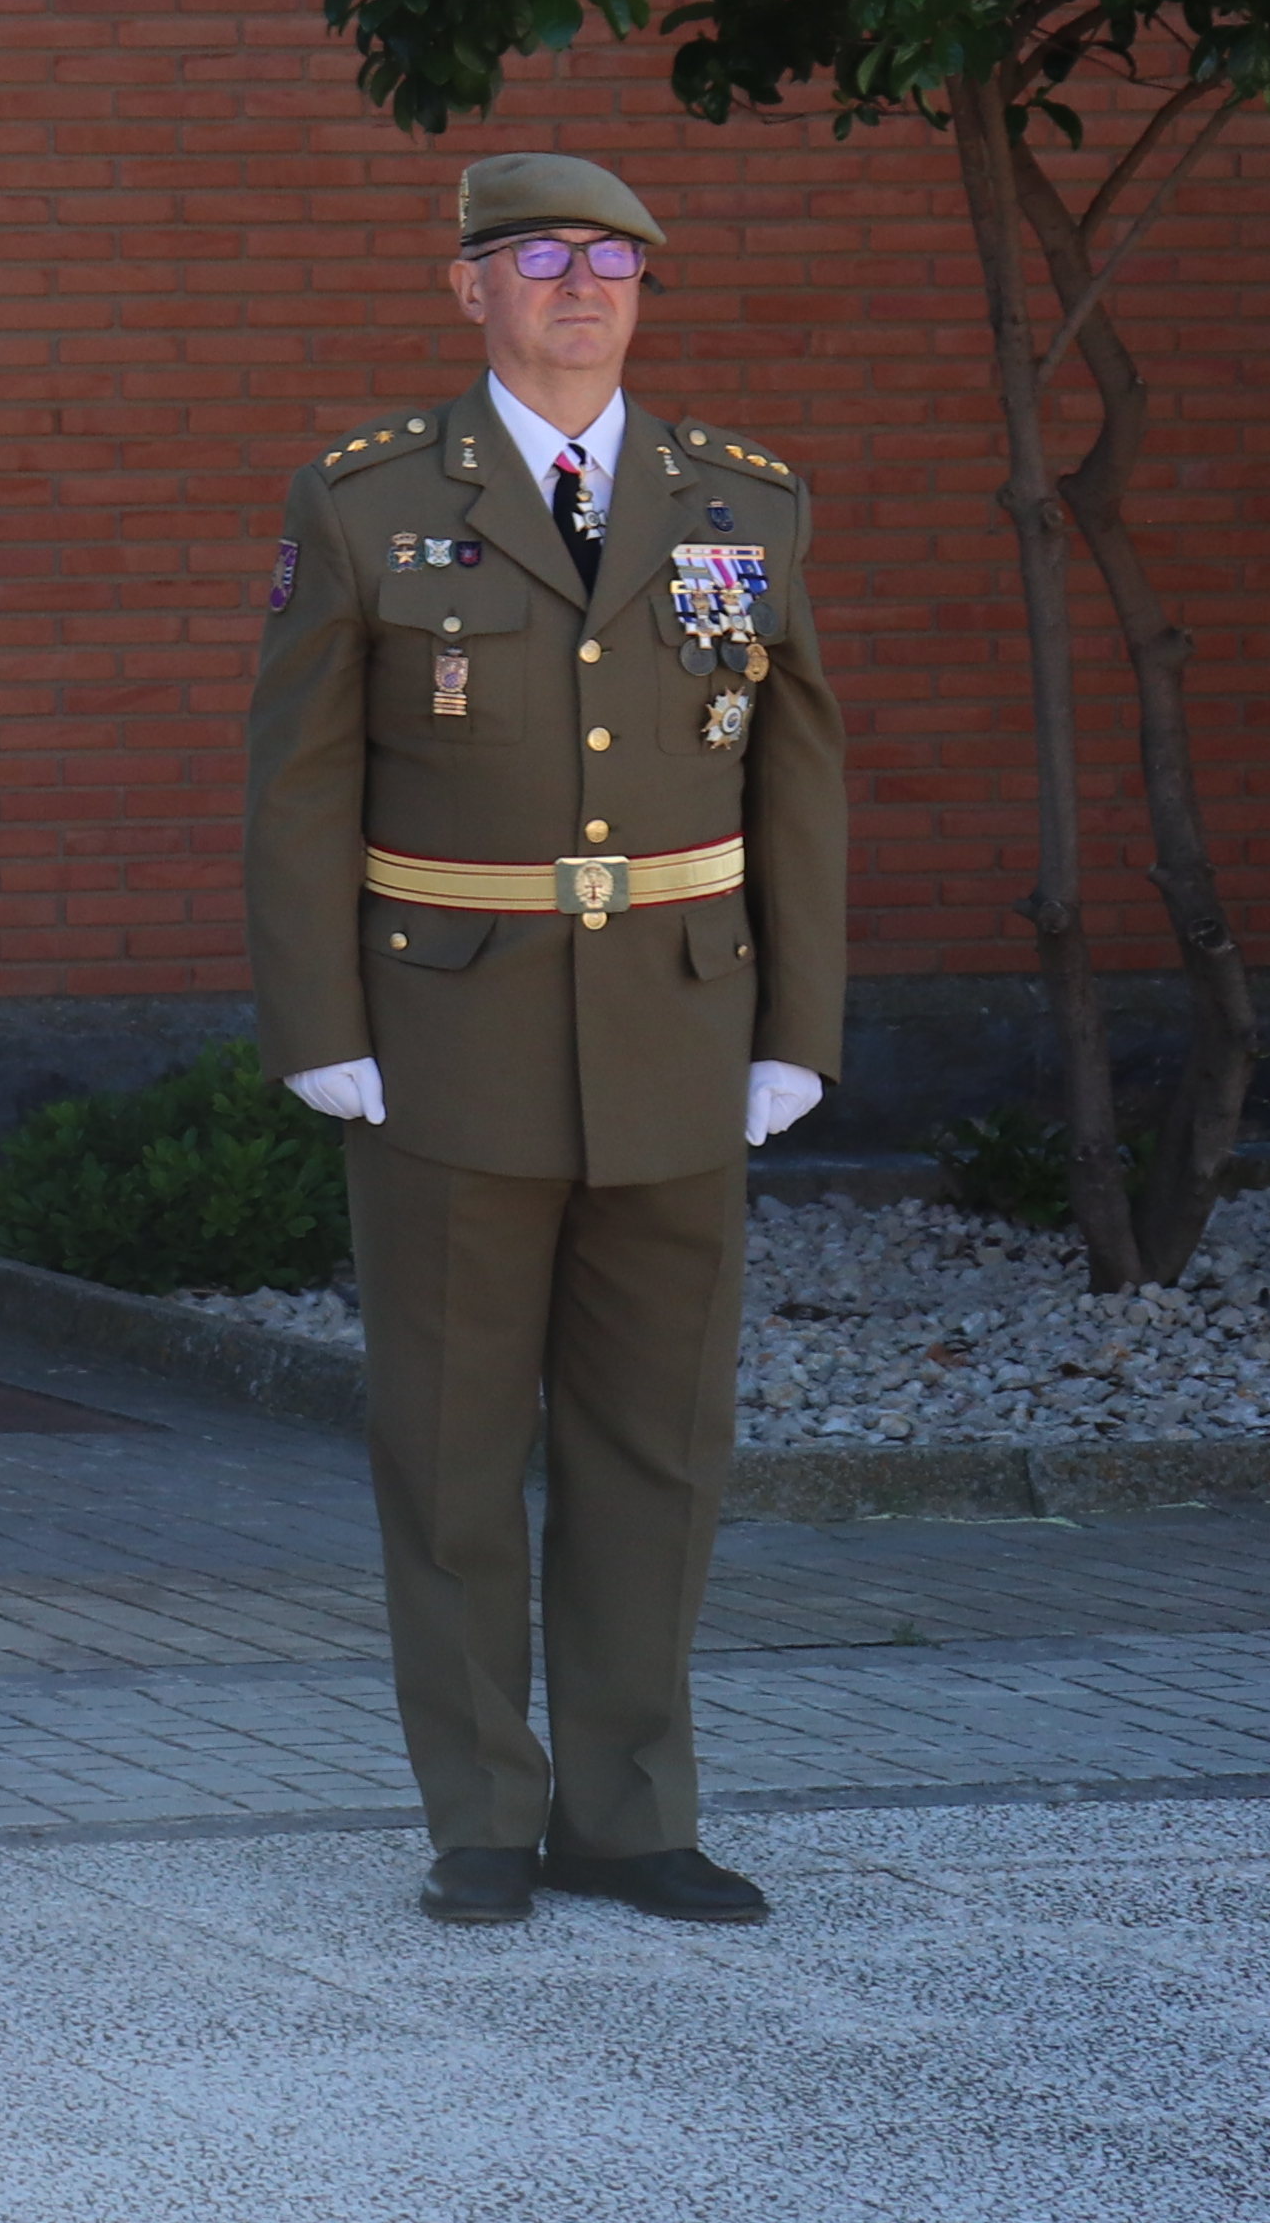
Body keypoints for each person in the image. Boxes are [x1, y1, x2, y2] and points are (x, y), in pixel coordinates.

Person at [248, 151, 844, 1931]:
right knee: (446, 1448)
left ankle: (633, 1811)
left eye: (614, 259)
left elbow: (792, 763)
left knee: (656, 1445)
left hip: (678, 1027)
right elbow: (298, 783)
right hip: (451, 1033)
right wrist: (318, 1024)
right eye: (537, 256)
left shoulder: (739, 500)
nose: (582, 285)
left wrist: (796, 1022)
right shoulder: (368, 502)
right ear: (470, 289)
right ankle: (485, 1816)